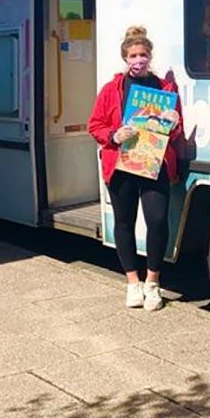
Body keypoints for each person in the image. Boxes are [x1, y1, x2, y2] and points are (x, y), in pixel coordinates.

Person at [88, 25, 184, 312]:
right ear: (125, 58)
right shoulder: (111, 90)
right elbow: (95, 124)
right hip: (121, 165)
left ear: (150, 56)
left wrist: (173, 122)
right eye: (133, 55)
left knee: (156, 220)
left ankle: (153, 282)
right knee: (124, 222)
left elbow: (175, 133)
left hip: (154, 165)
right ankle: (133, 283)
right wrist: (113, 136)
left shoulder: (165, 89)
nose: (138, 59)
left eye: (142, 54)